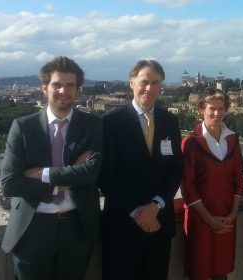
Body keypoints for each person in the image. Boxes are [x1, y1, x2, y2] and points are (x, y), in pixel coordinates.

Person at [0, 56, 103, 280]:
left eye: (70, 85)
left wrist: (41, 174)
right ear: (45, 87)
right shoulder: (23, 127)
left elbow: (91, 173)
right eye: (57, 85)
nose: (63, 91)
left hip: (77, 228)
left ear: (78, 89)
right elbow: (9, 184)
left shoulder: (93, 125)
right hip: (32, 229)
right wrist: (62, 183)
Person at [99, 59, 183, 280]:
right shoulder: (110, 121)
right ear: (132, 83)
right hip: (122, 225)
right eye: (144, 82)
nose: (150, 88)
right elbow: (106, 175)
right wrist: (137, 212)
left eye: (156, 83)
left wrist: (156, 205)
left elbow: (175, 170)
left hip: (158, 225)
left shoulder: (170, 120)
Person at [181, 90, 243, 280]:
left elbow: (239, 178)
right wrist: (210, 220)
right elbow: (188, 187)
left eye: (221, 109)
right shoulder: (191, 143)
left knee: (221, 272)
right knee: (199, 272)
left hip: (226, 219)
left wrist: (232, 214)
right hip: (200, 219)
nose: (217, 113)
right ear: (201, 109)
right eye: (212, 109)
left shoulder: (232, 140)